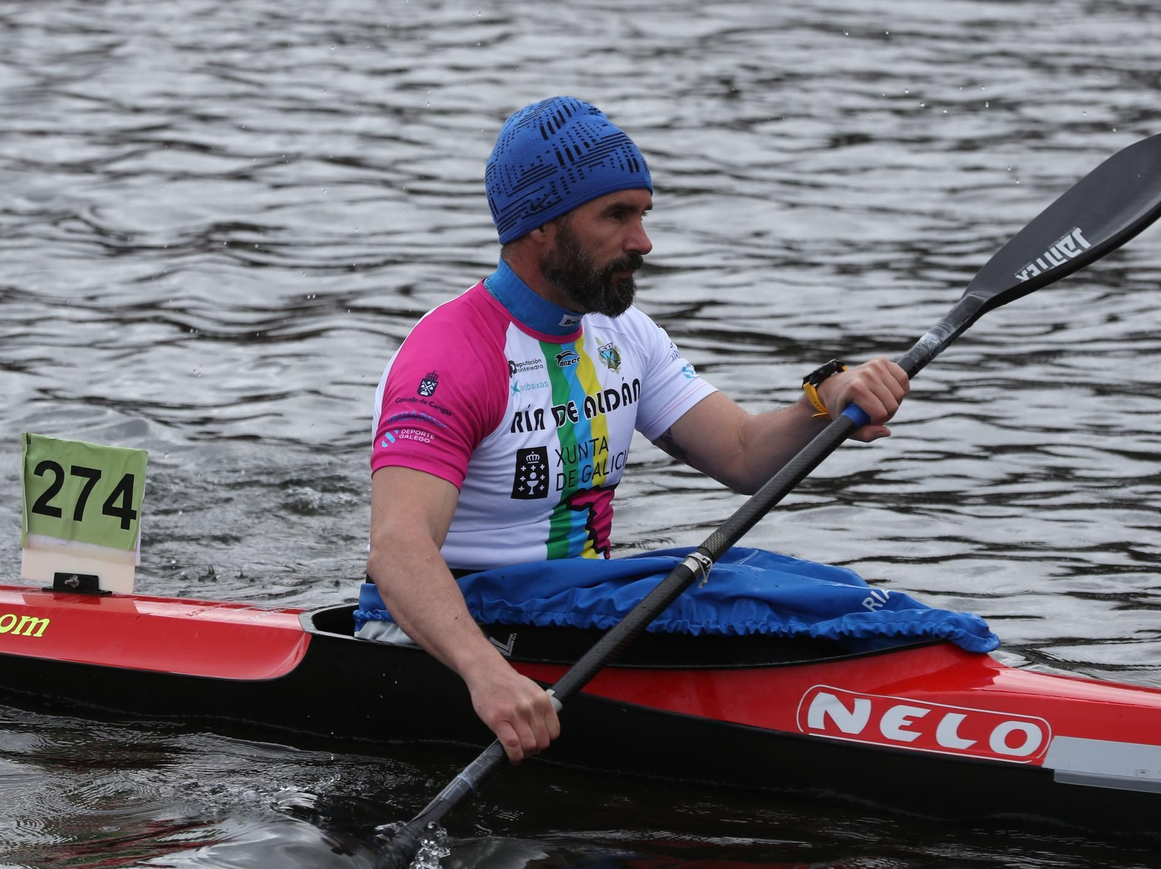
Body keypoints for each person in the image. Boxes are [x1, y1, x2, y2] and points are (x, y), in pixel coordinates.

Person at [366, 96, 909, 763]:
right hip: (469, 630)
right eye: (617, 215)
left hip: (576, 614)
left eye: (643, 214)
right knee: (749, 593)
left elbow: (741, 455)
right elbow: (396, 549)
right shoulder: (450, 357)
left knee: (816, 591)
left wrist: (823, 403)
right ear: (542, 224)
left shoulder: (624, 334)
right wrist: (486, 674)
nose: (642, 241)